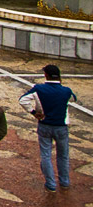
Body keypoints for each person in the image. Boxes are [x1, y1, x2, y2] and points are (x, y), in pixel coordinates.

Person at [18, 64, 78, 192]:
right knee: (63, 155)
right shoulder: (66, 90)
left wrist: (34, 112)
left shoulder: (39, 89)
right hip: (61, 126)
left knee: (46, 155)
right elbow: (73, 99)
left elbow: (23, 100)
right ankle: (64, 181)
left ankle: (51, 183)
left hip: (45, 124)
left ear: (46, 75)